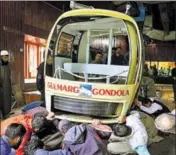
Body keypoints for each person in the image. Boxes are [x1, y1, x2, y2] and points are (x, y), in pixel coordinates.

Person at [0, 50, 12, 119]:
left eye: (7, 57)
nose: (6, 59)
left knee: (7, 104)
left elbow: (9, 75)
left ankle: (6, 116)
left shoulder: (9, 65)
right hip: (1, 88)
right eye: (5, 57)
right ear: (1, 57)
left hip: (7, 87)